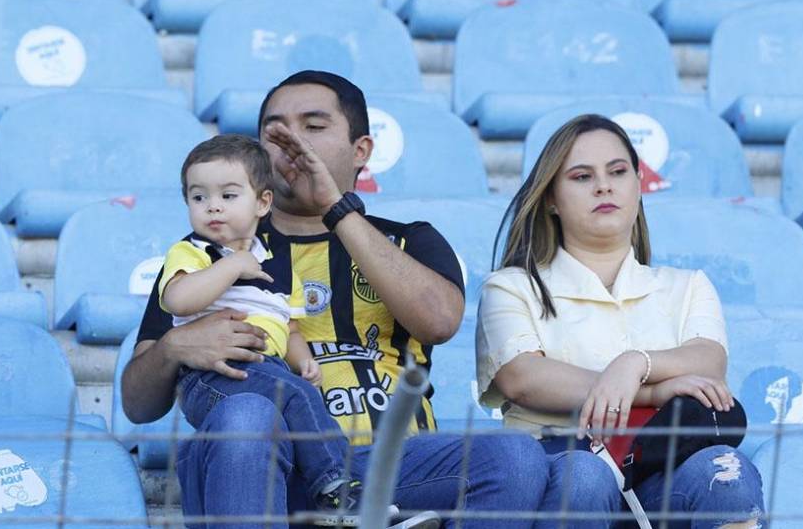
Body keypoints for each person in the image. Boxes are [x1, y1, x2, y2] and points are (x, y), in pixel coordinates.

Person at [122, 71, 618, 529]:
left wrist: (336, 209)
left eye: (314, 127)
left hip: (395, 466)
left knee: (517, 458)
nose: (293, 143)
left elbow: (440, 321)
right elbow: (138, 404)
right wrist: (173, 348)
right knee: (247, 416)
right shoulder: (208, 255)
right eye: (276, 132)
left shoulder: (410, 241)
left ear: (362, 150)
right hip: (264, 462)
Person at [476, 114, 765, 529]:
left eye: (618, 171)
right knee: (585, 478)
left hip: (657, 469)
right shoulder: (511, 287)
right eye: (581, 176)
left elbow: (708, 364)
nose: (603, 186)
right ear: (552, 199)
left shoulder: (687, 286)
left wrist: (634, 364)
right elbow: (523, 378)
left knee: (727, 471)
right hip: (557, 471)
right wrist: (655, 390)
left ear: (637, 186)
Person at [160, 133, 388, 521]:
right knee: (294, 396)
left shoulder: (276, 263)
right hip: (209, 379)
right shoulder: (193, 251)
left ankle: (334, 490)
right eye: (199, 198)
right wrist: (230, 266)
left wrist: (304, 361)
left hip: (268, 371)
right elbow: (178, 300)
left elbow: (290, 327)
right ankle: (338, 486)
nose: (212, 207)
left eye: (228, 196)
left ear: (262, 202)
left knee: (296, 393)